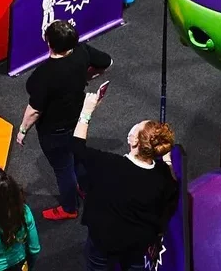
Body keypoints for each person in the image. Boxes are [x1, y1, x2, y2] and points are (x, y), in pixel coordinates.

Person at [16, 20, 112, 221]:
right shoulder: (81, 51)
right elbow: (107, 62)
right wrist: (88, 76)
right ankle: (86, 189)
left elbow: (34, 111)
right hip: (77, 122)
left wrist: (22, 130)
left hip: (54, 131)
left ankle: (69, 208)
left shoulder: (43, 75)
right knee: (78, 155)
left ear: (48, 42)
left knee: (63, 169)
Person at [71, 93, 178, 271]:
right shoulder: (163, 177)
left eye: (137, 126)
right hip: (138, 244)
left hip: (103, 242)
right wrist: (167, 161)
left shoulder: (108, 164)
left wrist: (87, 110)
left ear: (134, 140)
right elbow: (172, 184)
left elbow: (77, 147)